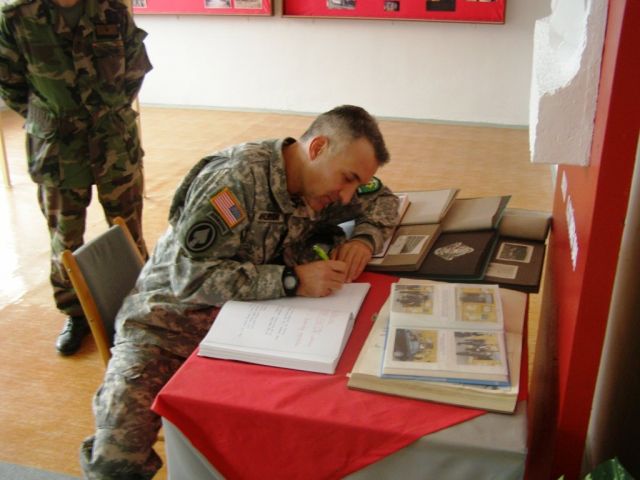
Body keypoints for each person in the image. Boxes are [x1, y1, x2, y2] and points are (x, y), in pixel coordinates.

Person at [79, 105, 400, 478]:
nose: (347, 197)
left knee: (307, 421)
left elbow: (384, 200)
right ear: (317, 148)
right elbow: (191, 278)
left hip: (252, 324)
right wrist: (292, 280)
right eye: (347, 179)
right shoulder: (234, 182)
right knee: (117, 457)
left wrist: (363, 239)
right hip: (168, 327)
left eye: (356, 185)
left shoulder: (319, 185)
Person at [0, 0, 152, 355]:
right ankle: (76, 314)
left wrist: (108, 112)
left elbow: (135, 67)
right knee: (64, 238)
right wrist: (50, 116)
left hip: (114, 142)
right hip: (58, 148)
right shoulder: (17, 16)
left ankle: (138, 308)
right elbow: (9, 80)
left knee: (128, 232)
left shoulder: (110, 9)